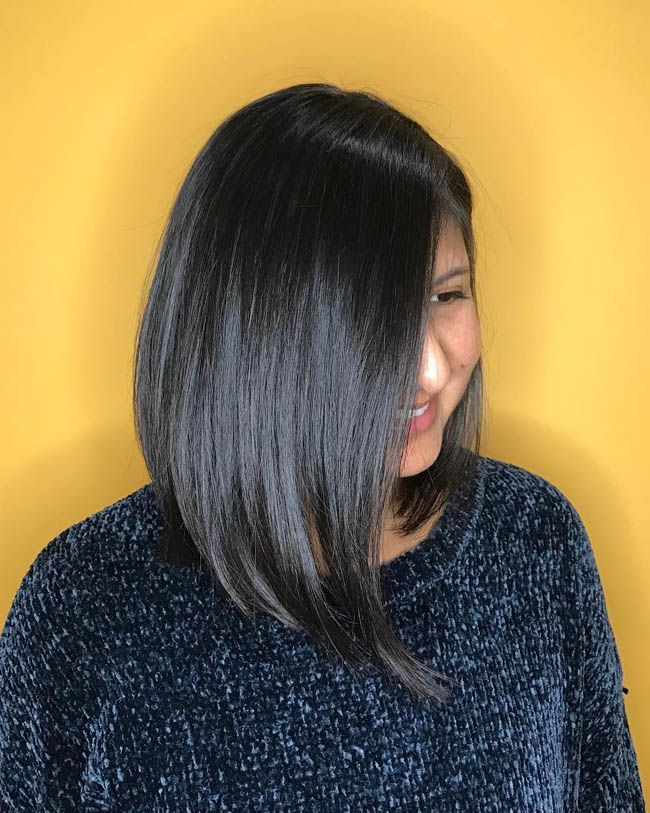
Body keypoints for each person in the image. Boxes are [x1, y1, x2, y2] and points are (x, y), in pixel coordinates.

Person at [0, 83, 644, 811]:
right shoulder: (84, 609)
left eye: (446, 296)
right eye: (374, 318)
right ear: (255, 333)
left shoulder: (533, 542)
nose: (431, 369)